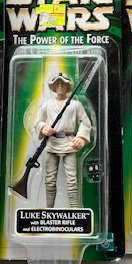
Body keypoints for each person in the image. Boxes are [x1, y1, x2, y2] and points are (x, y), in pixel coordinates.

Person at [34, 72, 91, 208]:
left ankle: (75, 209)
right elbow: (37, 122)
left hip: (69, 144)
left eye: (63, 84)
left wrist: (81, 138)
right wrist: (43, 127)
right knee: (49, 179)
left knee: (72, 180)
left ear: (67, 86)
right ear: (53, 87)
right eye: (57, 84)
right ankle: (49, 209)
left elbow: (85, 122)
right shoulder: (47, 104)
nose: (60, 86)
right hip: (51, 144)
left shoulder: (75, 105)